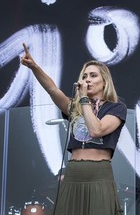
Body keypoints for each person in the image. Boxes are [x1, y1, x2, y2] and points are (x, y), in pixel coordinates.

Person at [20, 43, 127, 215]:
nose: (87, 80)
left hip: (99, 172)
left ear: (104, 81)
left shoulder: (116, 108)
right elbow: (52, 89)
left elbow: (96, 130)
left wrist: (83, 98)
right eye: (84, 76)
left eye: (93, 76)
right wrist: (34, 67)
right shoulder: (74, 107)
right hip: (74, 172)